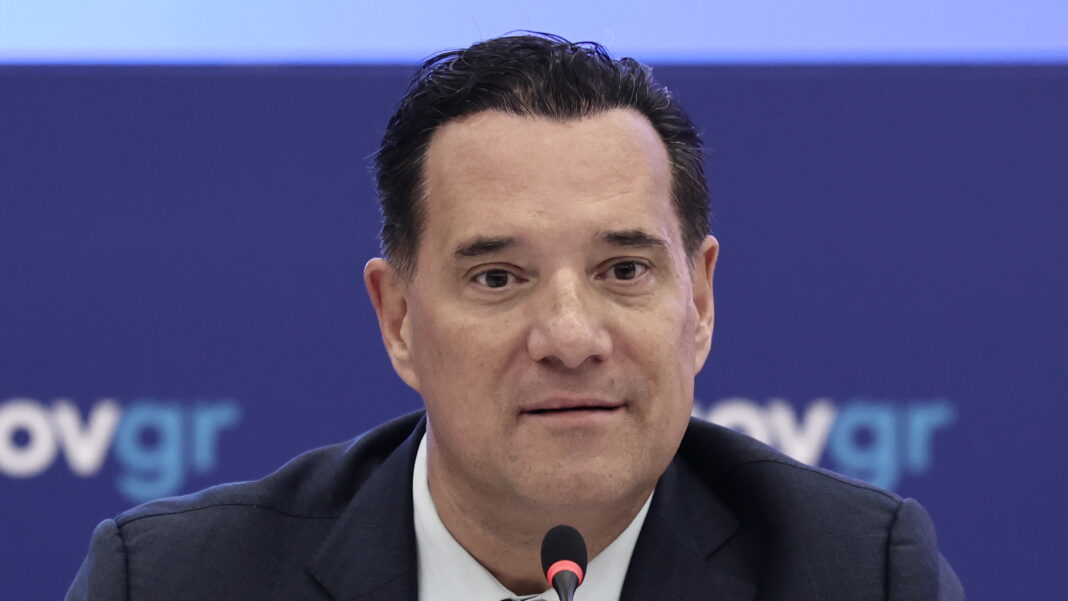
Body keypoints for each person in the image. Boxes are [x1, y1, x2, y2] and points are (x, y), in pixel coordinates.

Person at [66, 33, 963, 601]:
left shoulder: (859, 574)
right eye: (498, 278)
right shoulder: (174, 582)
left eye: (623, 270)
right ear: (399, 318)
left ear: (700, 302)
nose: (570, 337)